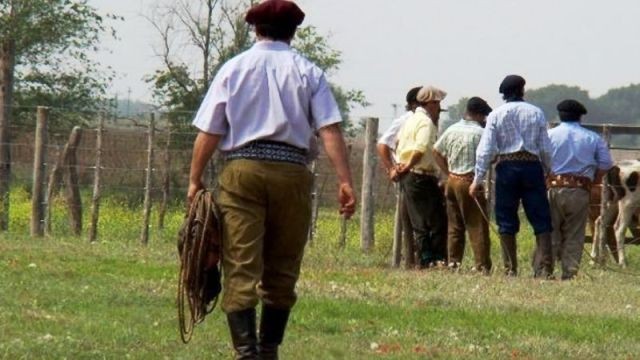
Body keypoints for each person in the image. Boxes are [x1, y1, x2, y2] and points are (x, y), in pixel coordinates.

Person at [187, 1, 356, 358]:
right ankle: (269, 350)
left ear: (255, 29)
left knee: (241, 263)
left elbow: (210, 130)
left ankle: (246, 352)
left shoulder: (234, 68)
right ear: (294, 31)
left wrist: (194, 179)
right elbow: (329, 129)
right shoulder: (308, 71)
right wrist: (345, 181)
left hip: (242, 172)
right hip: (292, 173)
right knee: (283, 266)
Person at [469, 75, 554, 278]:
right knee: (541, 217)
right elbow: (546, 148)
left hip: (507, 166)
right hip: (532, 166)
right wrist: (549, 171)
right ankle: (544, 268)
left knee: (506, 218)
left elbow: (485, 149)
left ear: (504, 94)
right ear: (522, 90)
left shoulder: (496, 115)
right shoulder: (536, 113)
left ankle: (510, 268)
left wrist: (477, 179)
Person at [545, 99, 613, 280]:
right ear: (580, 117)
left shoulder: (549, 135)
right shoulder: (593, 138)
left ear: (560, 115)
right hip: (581, 188)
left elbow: (540, 158)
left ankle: (545, 270)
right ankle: (569, 272)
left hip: (554, 186)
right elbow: (606, 163)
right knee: (575, 232)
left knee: (551, 230)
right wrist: (595, 179)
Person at [433, 97, 493, 273]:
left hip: (452, 181)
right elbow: (492, 156)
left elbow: (436, 151)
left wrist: (448, 172)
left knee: (455, 225)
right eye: (483, 116)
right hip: (469, 182)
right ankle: (482, 265)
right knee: (477, 225)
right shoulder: (480, 134)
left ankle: (454, 262)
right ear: (477, 115)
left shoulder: (452, 129)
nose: (484, 120)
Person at [395, 85, 448, 268]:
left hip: (409, 175)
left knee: (419, 220)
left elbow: (397, 143)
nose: (439, 107)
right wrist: (409, 164)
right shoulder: (426, 123)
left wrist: (401, 165)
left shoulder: (410, 120)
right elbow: (421, 148)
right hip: (421, 174)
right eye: (438, 103)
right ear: (431, 103)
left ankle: (425, 259)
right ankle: (434, 259)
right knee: (437, 220)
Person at [377, 86, 422, 180]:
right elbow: (382, 144)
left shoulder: (425, 122)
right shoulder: (404, 121)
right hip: (406, 173)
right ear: (414, 104)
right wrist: (391, 169)